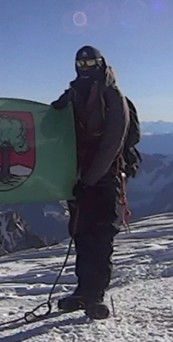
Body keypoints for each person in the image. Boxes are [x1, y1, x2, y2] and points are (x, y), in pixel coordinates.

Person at [51, 45, 130, 320]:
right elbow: (55, 119)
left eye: (90, 63)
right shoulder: (73, 94)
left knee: (100, 235)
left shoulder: (112, 97)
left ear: (101, 64)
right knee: (82, 235)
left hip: (103, 179)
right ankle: (83, 290)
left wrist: (90, 179)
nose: (85, 69)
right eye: (81, 64)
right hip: (79, 178)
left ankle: (96, 295)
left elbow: (112, 144)